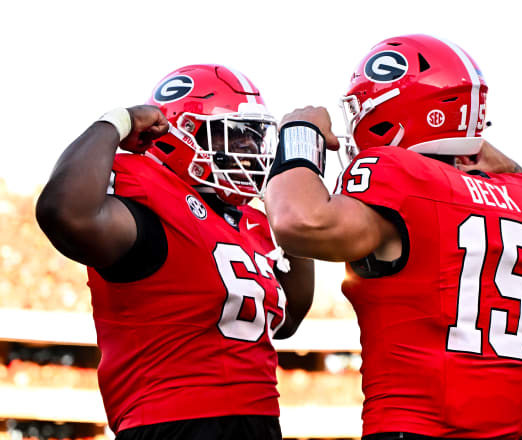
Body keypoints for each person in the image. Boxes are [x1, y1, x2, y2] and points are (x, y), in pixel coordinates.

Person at [265, 34, 522, 440]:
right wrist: (515, 169)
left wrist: (299, 136)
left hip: (412, 427)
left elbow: (300, 222)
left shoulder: (397, 174)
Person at [36, 64, 314, 440]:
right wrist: (114, 122)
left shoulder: (249, 221)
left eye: (254, 137)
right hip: (172, 423)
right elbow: (63, 212)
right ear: (180, 137)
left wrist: (291, 209)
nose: (250, 149)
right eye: (235, 135)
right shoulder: (150, 196)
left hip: (259, 421)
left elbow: (288, 319)